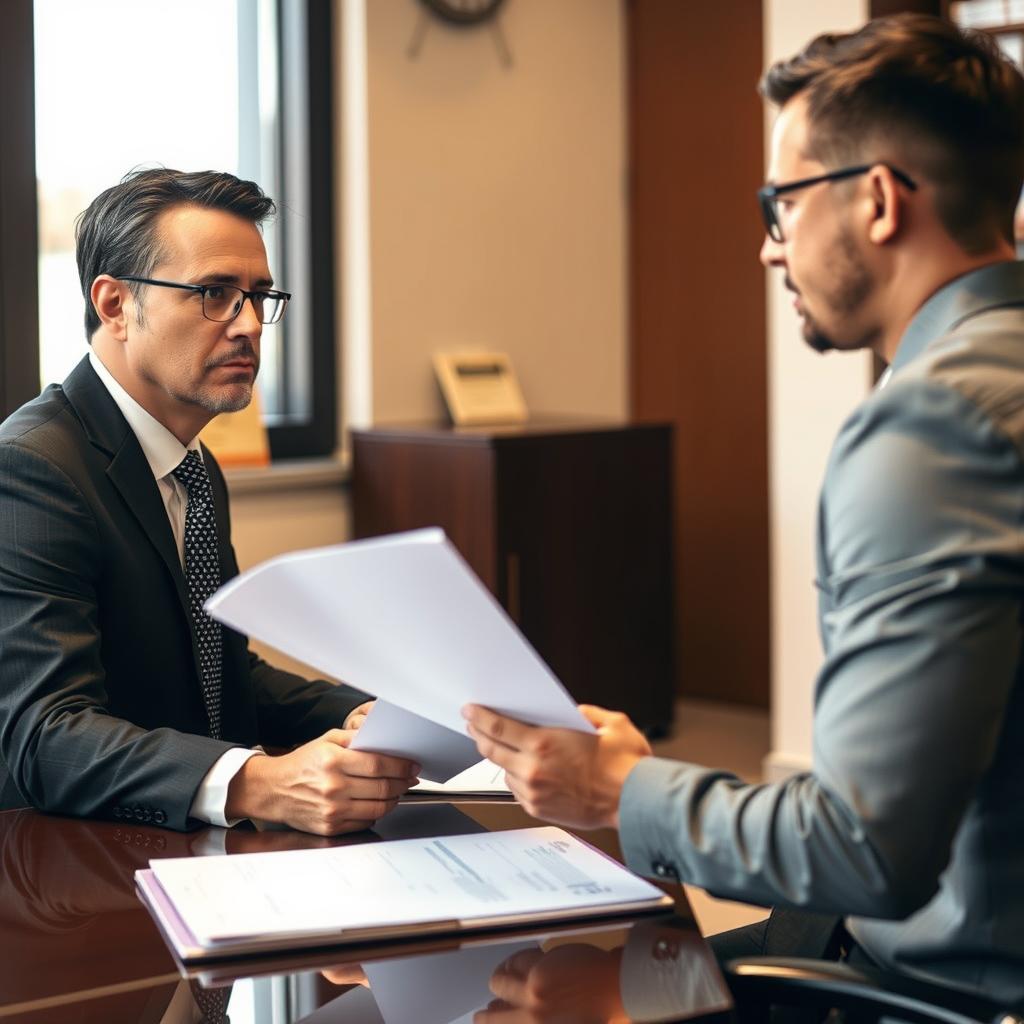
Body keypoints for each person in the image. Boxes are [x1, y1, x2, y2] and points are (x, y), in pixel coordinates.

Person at [465, 13, 1024, 999]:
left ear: (878, 201)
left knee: (526, 991)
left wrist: (616, 788)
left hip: (943, 988)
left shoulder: (932, 429)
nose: (770, 249)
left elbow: (866, 849)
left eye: (781, 204)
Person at [0, 169, 419, 834]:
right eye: (215, 294)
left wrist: (362, 714)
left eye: (259, 296)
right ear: (114, 305)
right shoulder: (32, 466)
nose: (249, 325)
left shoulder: (191, 464)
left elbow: (217, 670)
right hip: (71, 860)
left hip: (180, 843)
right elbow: (44, 735)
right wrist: (258, 782)